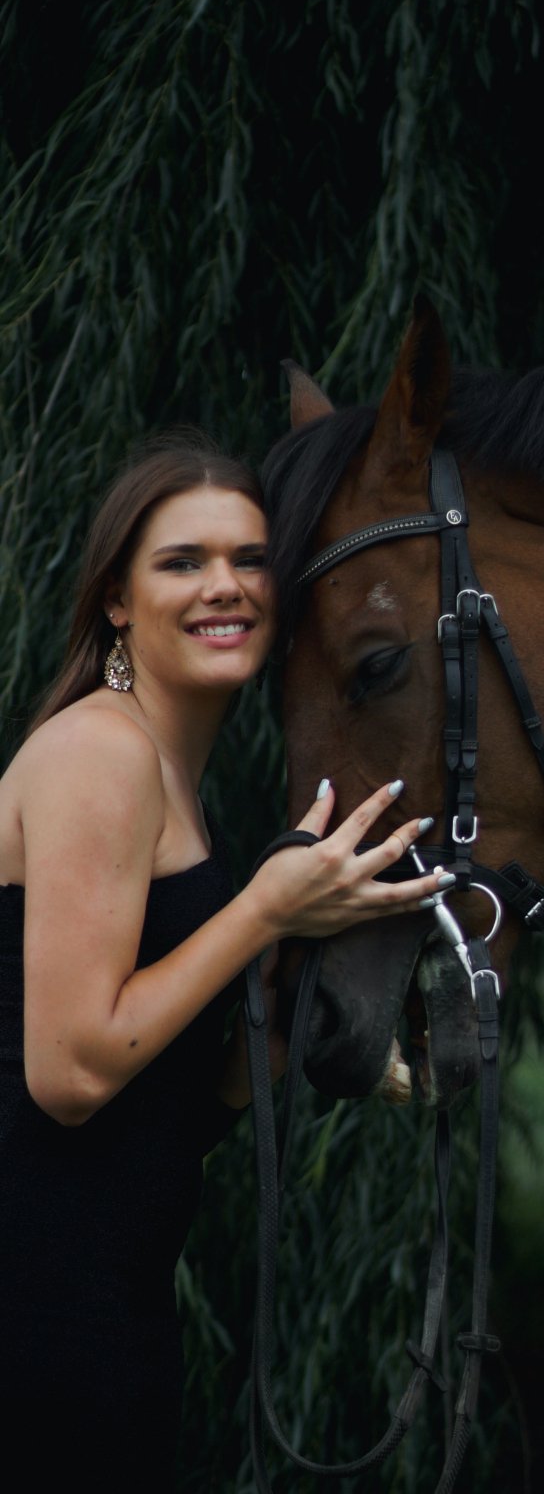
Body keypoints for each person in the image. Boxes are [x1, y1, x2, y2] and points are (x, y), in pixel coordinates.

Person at [0, 434, 453, 1492]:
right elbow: (71, 1073)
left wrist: (283, 1017)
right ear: (117, 600)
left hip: (102, 1302)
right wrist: (260, 910)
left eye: (251, 559)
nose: (226, 585)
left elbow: (159, 1113)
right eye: (183, 561)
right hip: (34, 1309)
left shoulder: (164, 771)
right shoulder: (102, 752)